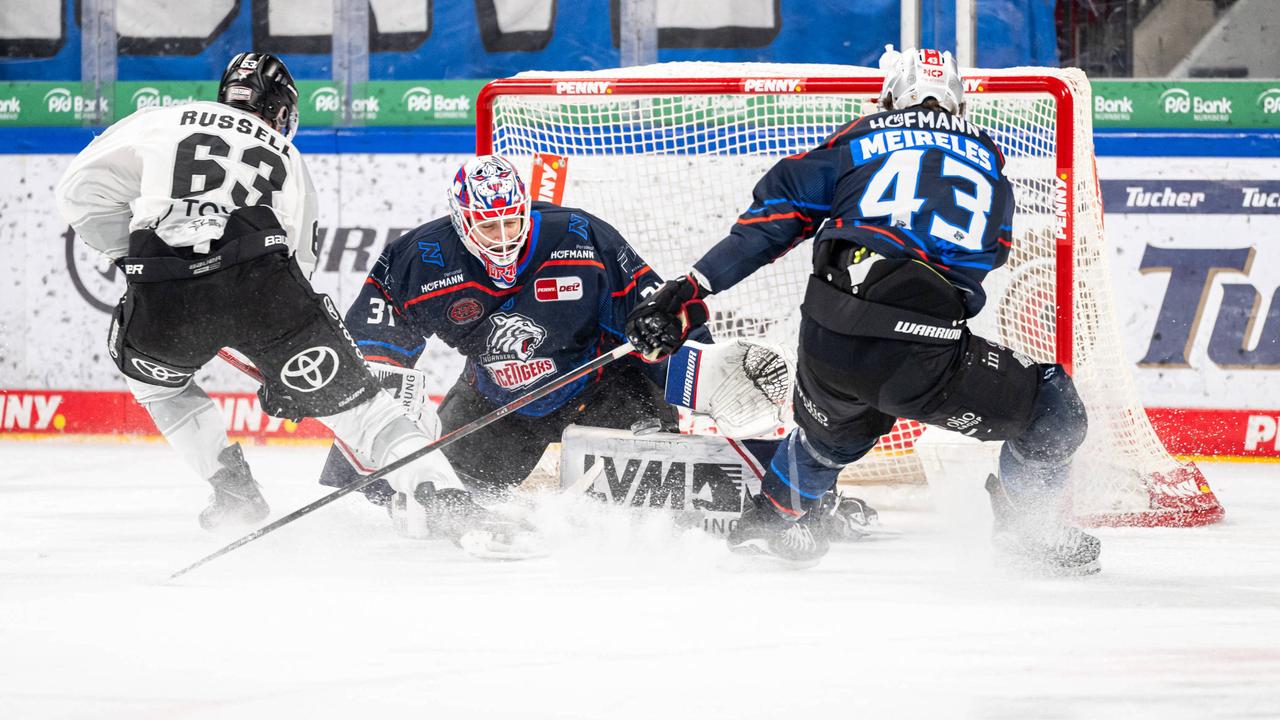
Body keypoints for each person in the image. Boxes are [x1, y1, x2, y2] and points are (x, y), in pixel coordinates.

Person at [625, 47, 1099, 574]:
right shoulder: (989, 162)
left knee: (831, 437)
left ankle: (770, 520)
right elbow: (990, 253)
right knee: (1054, 411)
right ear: (959, 105)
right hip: (921, 352)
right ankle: (1026, 532)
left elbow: (774, 218)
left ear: (889, 100)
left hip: (827, 338)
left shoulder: (859, 139)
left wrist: (688, 291)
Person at [55, 53, 442, 533]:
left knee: (156, 383)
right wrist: (280, 360)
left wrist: (136, 259)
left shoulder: (159, 120)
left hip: (164, 293)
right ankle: (446, 497)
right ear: (281, 109)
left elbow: (77, 190)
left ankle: (232, 489)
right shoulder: (287, 155)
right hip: (263, 287)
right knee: (364, 410)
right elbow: (298, 264)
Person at [317, 155, 717, 533]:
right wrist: (380, 458)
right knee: (424, 498)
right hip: (496, 401)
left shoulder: (579, 235)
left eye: (512, 222)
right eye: (489, 227)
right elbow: (373, 352)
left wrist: (706, 379)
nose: (504, 238)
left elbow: (654, 317)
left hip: (603, 391)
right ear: (461, 223)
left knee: (651, 515)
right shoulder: (420, 258)